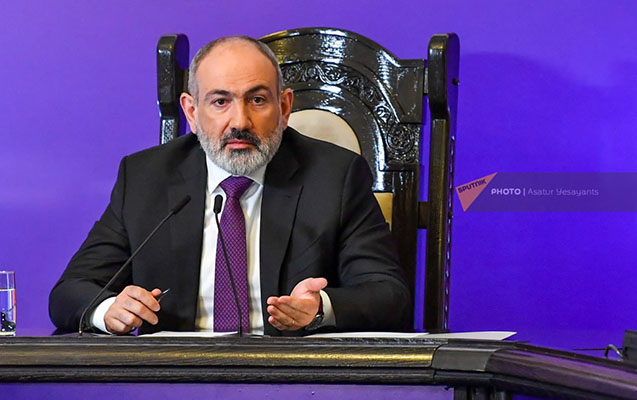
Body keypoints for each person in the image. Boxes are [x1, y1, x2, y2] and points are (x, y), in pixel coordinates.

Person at [49, 36, 411, 336]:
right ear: (192, 113)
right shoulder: (146, 177)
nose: (240, 121)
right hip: (173, 376)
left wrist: (320, 309)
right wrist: (110, 309)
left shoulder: (335, 176)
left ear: (284, 108)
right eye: (221, 101)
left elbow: (389, 295)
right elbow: (70, 292)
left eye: (257, 100)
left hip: (289, 376)